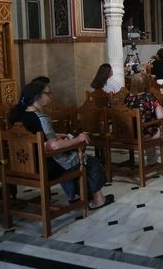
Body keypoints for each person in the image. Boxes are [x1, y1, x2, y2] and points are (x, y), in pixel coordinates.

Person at [8, 81, 113, 210]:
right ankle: (98, 200)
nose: (50, 96)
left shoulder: (19, 115)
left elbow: (33, 137)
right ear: (38, 97)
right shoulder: (40, 117)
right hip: (44, 166)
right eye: (48, 93)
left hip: (21, 165)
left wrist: (55, 134)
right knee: (89, 162)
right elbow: (53, 146)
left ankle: (75, 196)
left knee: (74, 157)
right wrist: (78, 139)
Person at [124, 73, 163, 170]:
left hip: (128, 132)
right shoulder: (149, 97)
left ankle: (152, 160)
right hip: (142, 134)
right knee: (161, 133)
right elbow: (161, 116)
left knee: (149, 129)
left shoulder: (128, 97)